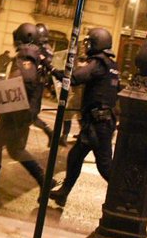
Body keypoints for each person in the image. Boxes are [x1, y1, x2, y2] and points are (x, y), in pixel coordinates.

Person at [0, 23, 53, 202]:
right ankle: (45, 181)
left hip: (15, 113)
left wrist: (1, 94)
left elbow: (24, 79)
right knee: (16, 150)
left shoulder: (26, 56)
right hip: (24, 112)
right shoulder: (37, 56)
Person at [47, 28, 120, 207]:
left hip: (99, 124)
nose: (87, 46)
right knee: (75, 157)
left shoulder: (98, 63)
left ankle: (126, 198)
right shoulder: (112, 65)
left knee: (105, 166)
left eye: (89, 42)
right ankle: (64, 193)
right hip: (98, 122)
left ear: (97, 43)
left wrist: (53, 70)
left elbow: (76, 78)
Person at [32, 23, 57, 145]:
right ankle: (49, 132)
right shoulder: (48, 48)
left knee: (29, 114)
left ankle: (49, 132)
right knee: (29, 114)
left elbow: (37, 66)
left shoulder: (41, 49)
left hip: (35, 84)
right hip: (39, 84)